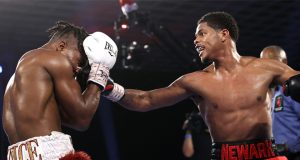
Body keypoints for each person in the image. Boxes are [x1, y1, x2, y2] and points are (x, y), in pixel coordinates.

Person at [102, 11, 300, 160]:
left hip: (268, 155)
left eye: (202, 34)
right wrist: (109, 88)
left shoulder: (266, 68)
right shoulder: (194, 81)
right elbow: (146, 100)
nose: (196, 40)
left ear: (224, 34)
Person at [2, 21, 118, 160]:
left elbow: (73, 120)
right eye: (80, 61)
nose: (79, 69)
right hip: (49, 153)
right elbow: (82, 119)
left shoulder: (14, 81)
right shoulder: (55, 59)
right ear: (61, 46)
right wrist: (100, 73)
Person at [260, 45, 300, 160]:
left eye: (272, 62)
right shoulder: (265, 93)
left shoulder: (295, 89)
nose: (268, 67)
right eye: (263, 64)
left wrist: (293, 147)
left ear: (284, 62)